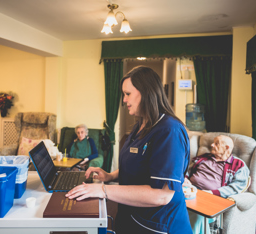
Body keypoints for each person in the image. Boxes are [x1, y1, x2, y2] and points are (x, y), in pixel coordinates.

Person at [66, 66, 192, 234]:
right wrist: (110, 176)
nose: (124, 100)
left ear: (146, 93)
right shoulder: (141, 124)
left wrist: (103, 190)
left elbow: (162, 195)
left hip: (159, 225)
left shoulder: (169, 131)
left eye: (127, 94)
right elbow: (137, 164)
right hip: (132, 216)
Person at [184, 135, 250, 234]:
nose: (211, 145)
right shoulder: (203, 158)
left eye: (216, 143)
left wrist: (211, 192)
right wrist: (185, 179)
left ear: (227, 148)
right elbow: (186, 169)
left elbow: (236, 188)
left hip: (211, 197)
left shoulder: (238, 165)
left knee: (198, 215)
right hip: (189, 190)